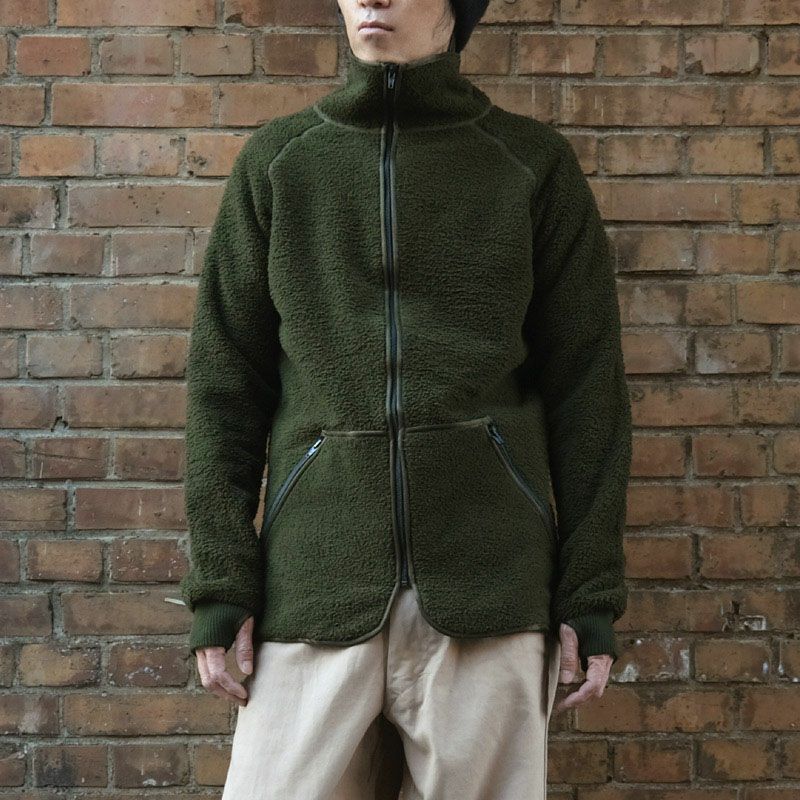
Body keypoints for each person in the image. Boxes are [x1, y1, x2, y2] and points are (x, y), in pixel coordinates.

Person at [177, 0, 632, 797]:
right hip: (316, 583)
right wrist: (222, 586)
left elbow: (588, 390)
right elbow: (224, 391)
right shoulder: (281, 164)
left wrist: (589, 592)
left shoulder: (529, 165)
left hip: (488, 585)